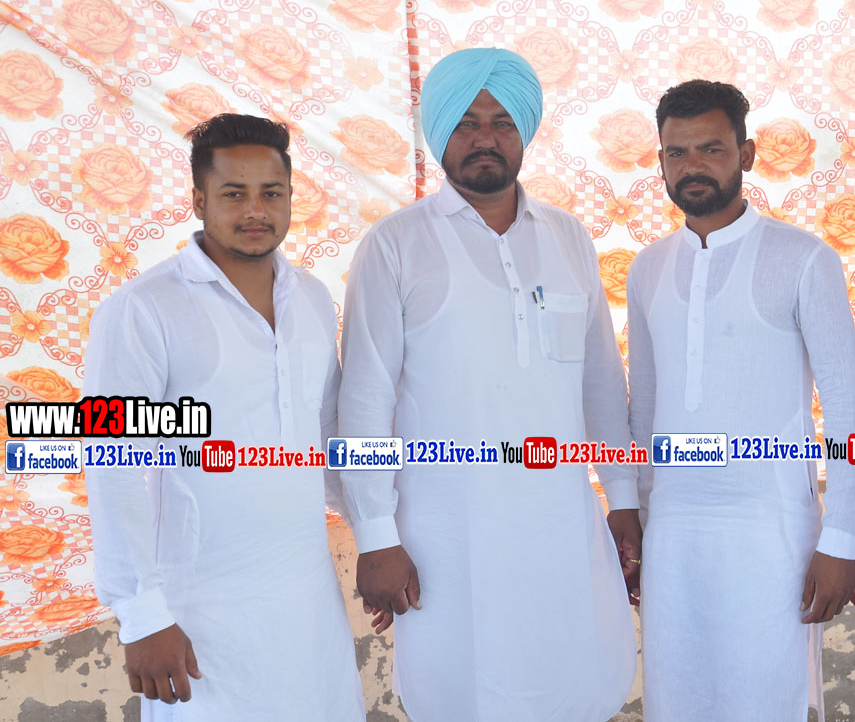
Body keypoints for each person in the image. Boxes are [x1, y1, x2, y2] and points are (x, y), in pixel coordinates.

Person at [337, 47, 640, 722]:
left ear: (523, 130)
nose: (484, 138)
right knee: (462, 690)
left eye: (502, 121)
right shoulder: (394, 244)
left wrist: (623, 496)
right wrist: (376, 533)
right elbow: (364, 400)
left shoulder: (568, 237)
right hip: (446, 534)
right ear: (439, 131)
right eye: (467, 122)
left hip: (561, 523)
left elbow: (599, 381)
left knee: (574, 682)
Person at [84, 114, 364, 720]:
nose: (255, 210)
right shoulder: (141, 310)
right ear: (198, 200)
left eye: (271, 192)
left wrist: (374, 536)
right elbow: (112, 468)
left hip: (308, 601)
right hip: (199, 613)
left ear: (290, 197)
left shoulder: (312, 298)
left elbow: (327, 438)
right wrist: (141, 614)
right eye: (234, 193)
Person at [626, 79, 855, 721]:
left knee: (765, 701)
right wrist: (641, 520)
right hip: (673, 531)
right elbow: (643, 407)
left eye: (711, 148)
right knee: (676, 703)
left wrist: (840, 536)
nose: (692, 166)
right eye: (676, 153)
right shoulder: (647, 268)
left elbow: (847, 409)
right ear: (660, 161)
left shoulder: (804, 258)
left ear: (748, 154)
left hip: (772, 528)